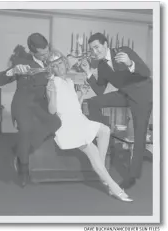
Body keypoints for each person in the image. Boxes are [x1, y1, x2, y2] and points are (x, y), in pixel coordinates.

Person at [45, 50, 132, 202]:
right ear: (51, 69)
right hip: (68, 126)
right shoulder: (52, 83)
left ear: (64, 63)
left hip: (79, 119)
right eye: (54, 66)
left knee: (105, 130)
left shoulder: (70, 81)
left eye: (60, 63)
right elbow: (52, 110)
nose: (58, 68)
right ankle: (114, 188)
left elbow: (74, 106)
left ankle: (101, 170)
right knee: (92, 151)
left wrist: (82, 95)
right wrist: (51, 93)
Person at [80, 32, 152, 190]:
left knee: (139, 135)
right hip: (125, 94)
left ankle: (132, 176)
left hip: (142, 95)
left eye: (97, 47)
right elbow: (99, 90)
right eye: (92, 49)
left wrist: (130, 62)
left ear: (106, 44)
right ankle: (100, 134)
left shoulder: (123, 51)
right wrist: (88, 73)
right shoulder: (101, 65)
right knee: (94, 102)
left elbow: (146, 72)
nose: (95, 51)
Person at [0, 33, 62, 187]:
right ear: (32, 52)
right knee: (26, 130)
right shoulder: (21, 62)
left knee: (56, 122)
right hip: (22, 104)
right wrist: (13, 71)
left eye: (47, 52)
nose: (45, 56)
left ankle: (19, 150)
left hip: (40, 105)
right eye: (42, 54)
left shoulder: (51, 61)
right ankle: (23, 169)